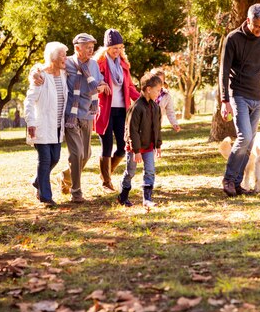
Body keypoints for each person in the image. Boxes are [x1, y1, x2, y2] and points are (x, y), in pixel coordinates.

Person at [33, 33, 107, 203]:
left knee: (86, 155)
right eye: (87, 46)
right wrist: (34, 72)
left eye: (92, 46)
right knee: (76, 154)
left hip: (88, 114)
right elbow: (47, 66)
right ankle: (76, 191)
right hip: (71, 117)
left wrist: (103, 85)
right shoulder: (68, 64)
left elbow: (100, 81)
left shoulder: (94, 65)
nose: (91, 49)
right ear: (77, 48)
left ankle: (65, 177)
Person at [219, 3, 260, 197]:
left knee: (250, 143)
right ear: (248, 21)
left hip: (257, 96)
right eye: (256, 26)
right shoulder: (233, 39)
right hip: (238, 94)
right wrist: (224, 100)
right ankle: (228, 179)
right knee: (244, 137)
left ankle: (236, 183)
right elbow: (224, 71)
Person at [93, 29, 140, 192]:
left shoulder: (123, 65)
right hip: (105, 110)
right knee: (106, 146)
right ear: (107, 48)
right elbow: (94, 84)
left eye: (120, 47)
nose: (118, 51)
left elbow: (129, 86)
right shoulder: (98, 65)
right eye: (114, 48)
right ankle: (106, 182)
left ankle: (106, 174)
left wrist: (142, 100)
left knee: (122, 146)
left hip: (122, 110)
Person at [24, 42, 68, 207]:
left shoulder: (64, 74)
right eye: (62, 55)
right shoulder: (41, 76)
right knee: (45, 160)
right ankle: (46, 197)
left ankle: (37, 182)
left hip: (57, 127)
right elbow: (29, 101)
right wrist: (31, 122)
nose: (65, 58)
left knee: (55, 158)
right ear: (53, 58)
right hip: (42, 126)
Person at [117, 73, 163, 209]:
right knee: (130, 172)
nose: (159, 93)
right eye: (157, 90)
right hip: (134, 147)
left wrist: (158, 145)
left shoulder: (156, 107)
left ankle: (147, 199)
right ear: (148, 89)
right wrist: (136, 151)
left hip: (148, 146)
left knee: (150, 170)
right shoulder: (137, 107)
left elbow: (157, 128)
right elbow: (132, 131)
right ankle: (123, 194)